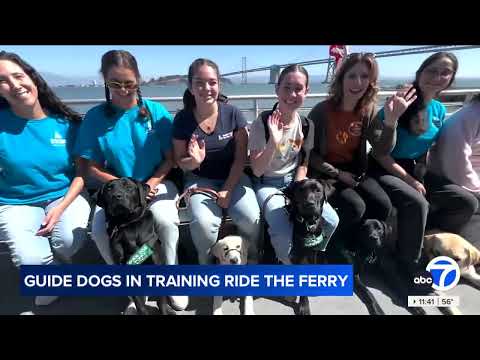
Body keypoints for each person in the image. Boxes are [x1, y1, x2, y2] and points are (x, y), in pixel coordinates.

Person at [74, 50, 187, 312]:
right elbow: (89, 166)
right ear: (104, 81)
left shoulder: (155, 112)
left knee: (166, 221)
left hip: (155, 182)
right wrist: (124, 188)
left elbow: (170, 158)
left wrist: (148, 185)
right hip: (118, 188)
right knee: (100, 230)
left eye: (129, 83)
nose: (123, 90)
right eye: (115, 83)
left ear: (138, 80)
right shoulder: (95, 117)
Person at [369, 52, 478, 282]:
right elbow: (379, 153)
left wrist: (423, 174)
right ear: (420, 74)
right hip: (385, 167)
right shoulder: (398, 103)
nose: (437, 77)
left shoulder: (438, 109)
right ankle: (409, 261)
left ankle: (433, 241)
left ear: (451, 79)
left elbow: (426, 149)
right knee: (416, 201)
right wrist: (410, 180)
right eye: (432, 71)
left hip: (416, 168)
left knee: (466, 202)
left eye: (445, 72)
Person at [0, 51, 91, 307]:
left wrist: (60, 208)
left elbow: (81, 174)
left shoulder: (66, 123)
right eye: (3, 81)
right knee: (32, 265)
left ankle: (60, 263)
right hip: (15, 202)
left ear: (32, 77)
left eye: (18, 75)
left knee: (67, 240)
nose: (15, 85)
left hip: (64, 195)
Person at [308, 52, 409, 251]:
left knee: (383, 205)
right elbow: (309, 155)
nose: (358, 82)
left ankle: (362, 251)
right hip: (325, 173)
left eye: (365, 77)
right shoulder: (322, 111)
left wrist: (391, 122)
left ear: (371, 82)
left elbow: (381, 150)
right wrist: (338, 174)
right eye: (352, 76)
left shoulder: (368, 110)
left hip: (355, 172)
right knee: (355, 207)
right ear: (341, 79)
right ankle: (335, 250)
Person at [172, 58, 261, 265]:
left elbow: (241, 158)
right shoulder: (182, 119)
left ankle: (252, 258)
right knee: (204, 224)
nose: (206, 88)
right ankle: (208, 265)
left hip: (234, 177)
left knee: (250, 217)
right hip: (199, 180)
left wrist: (228, 189)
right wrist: (193, 162)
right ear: (190, 87)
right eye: (199, 83)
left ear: (219, 85)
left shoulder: (233, 114)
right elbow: (179, 161)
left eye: (212, 82)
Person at [248, 64, 339, 264]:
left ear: (307, 91)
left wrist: (297, 190)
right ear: (276, 89)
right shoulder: (261, 123)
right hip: (267, 183)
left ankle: (311, 250)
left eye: (298, 88)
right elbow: (257, 169)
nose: (292, 93)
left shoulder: (306, 125)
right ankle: (291, 271)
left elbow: (303, 164)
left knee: (332, 221)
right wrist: (274, 140)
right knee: (282, 231)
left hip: (294, 183)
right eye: (286, 87)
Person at [428, 93, 480, 247]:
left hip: (471, 177)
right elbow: (456, 164)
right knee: (468, 204)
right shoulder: (467, 118)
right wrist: (478, 189)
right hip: (453, 179)